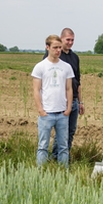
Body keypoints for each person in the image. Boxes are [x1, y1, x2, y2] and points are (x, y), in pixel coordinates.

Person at [31, 34, 74, 167]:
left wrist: (68, 108)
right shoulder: (40, 67)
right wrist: (40, 109)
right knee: (43, 145)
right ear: (47, 47)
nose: (58, 50)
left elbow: (69, 89)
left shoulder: (67, 67)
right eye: (55, 47)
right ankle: (41, 172)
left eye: (60, 47)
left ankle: (63, 172)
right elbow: (36, 90)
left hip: (62, 113)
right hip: (46, 113)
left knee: (63, 146)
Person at [59, 28, 84, 152]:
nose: (70, 42)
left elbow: (78, 81)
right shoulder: (55, 55)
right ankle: (56, 157)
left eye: (72, 40)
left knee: (71, 131)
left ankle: (65, 156)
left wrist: (81, 102)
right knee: (61, 132)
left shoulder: (75, 57)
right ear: (61, 38)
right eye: (68, 39)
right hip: (61, 100)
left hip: (74, 100)